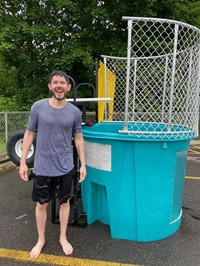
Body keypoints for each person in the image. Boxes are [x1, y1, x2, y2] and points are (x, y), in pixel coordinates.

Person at [19, 70, 86, 259]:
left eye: (62, 82)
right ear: (50, 86)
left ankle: (63, 237)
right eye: (55, 82)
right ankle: (41, 239)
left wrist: (83, 165)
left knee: (64, 203)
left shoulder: (74, 112)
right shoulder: (38, 107)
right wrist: (23, 162)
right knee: (42, 204)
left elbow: (79, 138)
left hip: (65, 167)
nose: (59, 85)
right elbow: (29, 134)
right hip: (42, 167)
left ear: (68, 87)